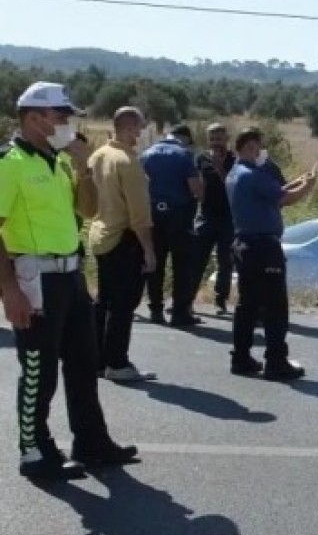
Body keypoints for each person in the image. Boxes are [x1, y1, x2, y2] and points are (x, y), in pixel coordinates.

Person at [0, 82, 137, 481]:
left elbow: (88, 208)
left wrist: (83, 168)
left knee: (82, 363)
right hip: (33, 274)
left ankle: (91, 442)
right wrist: (9, 290)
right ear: (34, 117)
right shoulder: (10, 163)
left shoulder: (59, 161)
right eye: (60, 115)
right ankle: (34, 451)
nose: (67, 122)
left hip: (70, 273)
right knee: (39, 370)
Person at [225, 128, 315, 380]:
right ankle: (276, 360)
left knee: (247, 305)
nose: (261, 152)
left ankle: (241, 357)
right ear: (249, 147)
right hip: (264, 247)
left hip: (244, 245)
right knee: (275, 306)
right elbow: (285, 198)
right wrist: (308, 186)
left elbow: (273, 192)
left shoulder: (235, 174)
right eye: (258, 147)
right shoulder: (253, 174)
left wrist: (297, 181)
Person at [87, 106, 158, 383]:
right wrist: (149, 250)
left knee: (104, 300)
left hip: (101, 234)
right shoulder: (128, 162)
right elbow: (140, 214)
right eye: (138, 128)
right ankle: (117, 362)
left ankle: (98, 360)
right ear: (128, 128)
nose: (140, 134)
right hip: (124, 238)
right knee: (123, 304)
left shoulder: (98, 155)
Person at [139, 122, 202, 326]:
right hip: (178, 215)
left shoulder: (146, 154)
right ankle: (180, 312)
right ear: (184, 139)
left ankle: (155, 309)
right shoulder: (184, 155)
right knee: (181, 265)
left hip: (153, 213)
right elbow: (195, 189)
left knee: (155, 264)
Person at [192, 122, 236, 315]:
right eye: (212, 139)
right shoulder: (201, 158)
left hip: (228, 218)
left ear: (227, 139)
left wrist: (219, 167)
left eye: (219, 138)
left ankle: (220, 301)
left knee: (225, 261)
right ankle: (187, 300)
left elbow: (233, 186)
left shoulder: (235, 160)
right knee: (196, 259)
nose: (216, 142)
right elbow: (196, 181)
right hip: (206, 216)